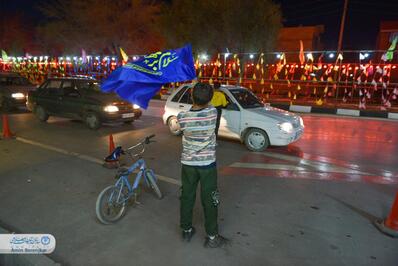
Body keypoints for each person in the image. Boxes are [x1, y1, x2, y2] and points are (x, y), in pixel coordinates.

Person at [177, 82, 229, 248]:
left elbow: (194, 108)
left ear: (191, 95)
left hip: (188, 164)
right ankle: (212, 237)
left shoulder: (182, 117)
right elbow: (207, 102)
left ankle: (186, 230)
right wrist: (200, 92)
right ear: (210, 98)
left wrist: (195, 91)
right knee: (210, 199)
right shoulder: (212, 113)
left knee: (187, 196)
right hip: (207, 165)